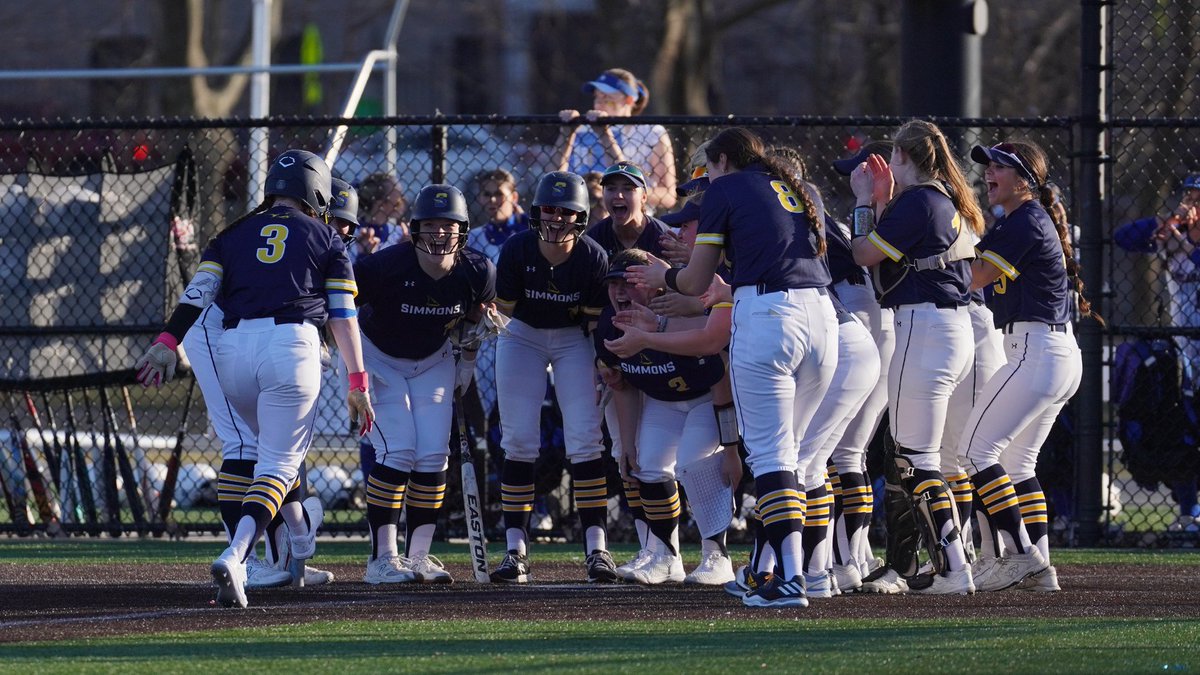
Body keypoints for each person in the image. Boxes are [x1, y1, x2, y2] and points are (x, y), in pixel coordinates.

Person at [134, 149, 375, 608]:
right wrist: (358, 382)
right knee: (276, 464)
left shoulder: (231, 233)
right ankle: (239, 553)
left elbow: (198, 293)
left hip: (234, 349)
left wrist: (167, 340)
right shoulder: (327, 238)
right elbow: (344, 316)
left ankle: (299, 539)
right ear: (319, 192)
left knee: (264, 451)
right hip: (289, 347)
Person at [626, 127, 838, 608]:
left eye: (708, 168)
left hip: (768, 316)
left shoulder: (726, 188)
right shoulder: (805, 190)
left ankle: (789, 579)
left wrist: (665, 276)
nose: (706, 181)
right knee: (793, 458)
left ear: (723, 160)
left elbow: (697, 279)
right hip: (824, 318)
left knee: (772, 459)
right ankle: (766, 569)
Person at [849, 119, 983, 595]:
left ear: (904, 158)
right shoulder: (943, 198)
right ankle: (952, 560)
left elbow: (864, 253)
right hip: (948, 329)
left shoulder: (921, 200)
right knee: (928, 457)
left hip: (925, 329)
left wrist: (865, 201)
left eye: (895, 159)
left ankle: (953, 567)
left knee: (913, 459)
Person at [961, 140, 1098, 592]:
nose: (989, 173)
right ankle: (1041, 569)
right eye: (989, 165)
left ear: (1025, 180)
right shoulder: (1022, 220)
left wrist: (930, 256)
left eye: (999, 166)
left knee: (974, 453)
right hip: (1053, 353)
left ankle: (1022, 555)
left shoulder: (1023, 221)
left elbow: (975, 278)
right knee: (1019, 464)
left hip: (1035, 351)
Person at [352, 183, 496, 585]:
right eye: (430, 225)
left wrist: (466, 364)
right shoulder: (382, 267)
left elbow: (471, 322)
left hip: (435, 359)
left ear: (462, 230)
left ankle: (418, 557)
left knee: (433, 455)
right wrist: (353, 371)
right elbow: (343, 310)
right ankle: (382, 558)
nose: (439, 234)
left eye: (448, 225)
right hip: (380, 359)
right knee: (398, 450)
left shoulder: (478, 270)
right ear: (414, 228)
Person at [490, 171, 613, 583]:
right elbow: (502, 315)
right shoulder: (516, 249)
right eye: (549, 210)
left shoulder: (593, 257)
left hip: (573, 339)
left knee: (585, 439)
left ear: (580, 215)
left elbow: (595, 327)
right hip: (521, 335)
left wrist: (604, 365)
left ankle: (597, 547)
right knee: (519, 441)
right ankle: (515, 549)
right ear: (536, 211)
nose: (556, 218)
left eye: (566, 211)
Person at [591, 248, 735, 585]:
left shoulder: (682, 316)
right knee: (649, 464)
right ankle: (665, 556)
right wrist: (628, 444)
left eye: (630, 282)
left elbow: (721, 377)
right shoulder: (608, 325)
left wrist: (730, 449)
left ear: (656, 288)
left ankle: (718, 555)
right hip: (662, 400)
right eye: (614, 283)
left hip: (706, 399)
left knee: (692, 462)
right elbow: (623, 383)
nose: (620, 292)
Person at [1113, 173, 1200, 533]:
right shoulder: (1172, 238)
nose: (1191, 204)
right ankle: (1189, 512)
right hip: (1184, 352)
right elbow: (1123, 238)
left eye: (1198, 198)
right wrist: (1164, 224)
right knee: (1183, 430)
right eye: (1189, 195)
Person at [554, 68, 677, 212]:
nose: (599, 104)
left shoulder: (651, 133)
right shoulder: (581, 129)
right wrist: (566, 134)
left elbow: (668, 196)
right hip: (581, 213)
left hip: (631, 215)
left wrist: (624, 191)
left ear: (629, 100)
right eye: (597, 98)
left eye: (607, 99)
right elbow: (555, 178)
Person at [467, 169, 528, 426]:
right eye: (486, 195)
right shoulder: (476, 237)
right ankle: (495, 457)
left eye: (499, 195)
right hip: (489, 328)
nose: (493, 201)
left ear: (513, 196)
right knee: (493, 405)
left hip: (525, 323)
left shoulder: (530, 230)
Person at [349, 172, 409, 263]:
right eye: (398, 199)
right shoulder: (349, 234)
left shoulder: (400, 234)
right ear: (381, 204)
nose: (403, 200)